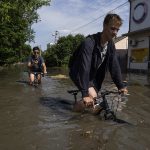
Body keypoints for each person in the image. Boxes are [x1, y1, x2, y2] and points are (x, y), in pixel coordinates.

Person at [69, 13, 128, 109]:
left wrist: (120, 86)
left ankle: (82, 112)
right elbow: (85, 66)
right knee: (91, 97)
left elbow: (114, 65)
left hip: (93, 75)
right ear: (104, 26)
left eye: (117, 30)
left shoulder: (110, 45)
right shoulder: (89, 42)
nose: (115, 33)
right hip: (78, 72)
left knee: (94, 102)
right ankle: (73, 111)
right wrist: (84, 93)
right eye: (112, 28)